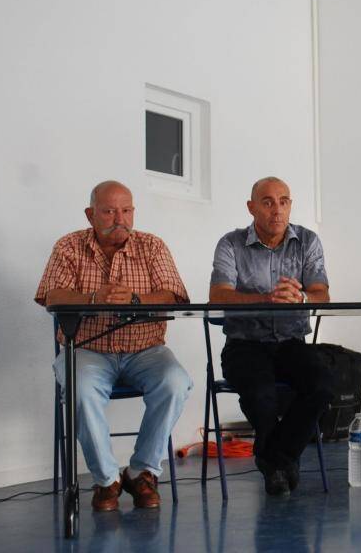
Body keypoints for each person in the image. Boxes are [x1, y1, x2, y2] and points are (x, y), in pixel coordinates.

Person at [35, 181, 192, 511]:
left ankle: (141, 471)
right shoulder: (69, 246)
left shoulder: (152, 246)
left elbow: (173, 296)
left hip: (145, 350)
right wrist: (95, 298)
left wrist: (135, 299)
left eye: (126, 210)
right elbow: (53, 296)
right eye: (109, 211)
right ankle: (107, 480)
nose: (119, 218)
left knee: (176, 382)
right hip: (88, 350)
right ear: (90, 214)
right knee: (78, 387)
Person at [209, 177, 334, 496]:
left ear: (290, 205)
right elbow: (218, 297)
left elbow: (322, 295)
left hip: (292, 343)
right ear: (251, 207)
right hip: (244, 344)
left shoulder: (307, 241)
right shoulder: (231, 243)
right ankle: (281, 461)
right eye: (267, 202)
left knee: (323, 383)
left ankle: (274, 459)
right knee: (262, 394)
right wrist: (266, 299)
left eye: (284, 201)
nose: (276, 209)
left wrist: (302, 298)